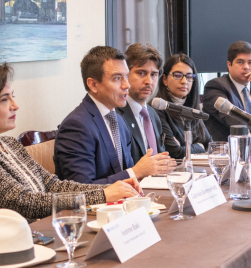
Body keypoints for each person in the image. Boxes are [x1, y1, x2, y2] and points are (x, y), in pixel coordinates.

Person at [0, 63, 140, 221]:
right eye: (5, 100)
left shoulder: (9, 144)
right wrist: (104, 195)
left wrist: (114, 188)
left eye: (13, 97)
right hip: (0, 252)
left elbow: (52, 185)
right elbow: (25, 203)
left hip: (36, 235)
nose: (15, 106)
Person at [54, 46, 168, 184]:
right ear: (93, 84)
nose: (127, 85)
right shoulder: (76, 126)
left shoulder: (119, 120)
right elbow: (81, 190)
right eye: (117, 78)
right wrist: (135, 172)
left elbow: (126, 171)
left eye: (126, 76)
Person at [116, 42, 168, 164]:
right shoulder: (116, 114)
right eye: (141, 73)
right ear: (126, 74)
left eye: (154, 75)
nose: (148, 81)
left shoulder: (153, 114)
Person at [155, 53, 212, 159]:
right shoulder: (158, 109)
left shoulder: (192, 109)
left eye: (189, 76)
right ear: (165, 79)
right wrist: (199, 146)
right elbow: (176, 152)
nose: (184, 81)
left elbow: (210, 145)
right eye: (177, 75)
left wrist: (187, 148)